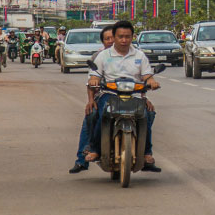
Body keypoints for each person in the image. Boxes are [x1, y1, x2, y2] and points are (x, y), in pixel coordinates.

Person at [83, 21, 161, 172]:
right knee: (99, 114)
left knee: (147, 115)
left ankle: (146, 152)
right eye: (120, 37)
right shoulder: (103, 56)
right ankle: (95, 149)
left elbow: (147, 75)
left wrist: (152, 82)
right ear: (114, 37)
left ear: (132, 37)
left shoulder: (140, 55)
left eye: (127, 37)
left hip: (135, 95)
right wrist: (94, 80)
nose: (124, 40)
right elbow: (95, 75)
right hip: (110, 94)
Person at [69, 25, 114, 173]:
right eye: (107, 38)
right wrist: (91, 100)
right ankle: (83, 158)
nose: (111, 41)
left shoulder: (133, 55)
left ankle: (145, 153)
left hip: (130, 96)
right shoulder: (98, 57)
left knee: (147, 114)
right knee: (92, 114)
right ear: (103, 42)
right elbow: (91, 82)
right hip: (105, 96)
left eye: (114, 37)